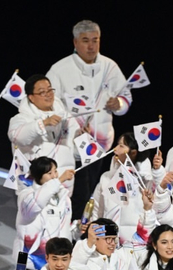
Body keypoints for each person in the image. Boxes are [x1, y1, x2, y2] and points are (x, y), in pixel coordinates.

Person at [47, 20, 132, 214]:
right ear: (75, 42)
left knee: (89, 194)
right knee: (72, 192)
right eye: (86, 41)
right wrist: (71, 126)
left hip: (99, 145)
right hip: (70, 144)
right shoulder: (59, 69)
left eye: (95, 40)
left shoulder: (110, 67)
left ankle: (79, 227)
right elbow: (49, 105)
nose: (91, 46)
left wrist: (118, 104)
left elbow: (126, 97)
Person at [7, 74, 80, 197]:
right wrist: (43, 123)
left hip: (63, 184)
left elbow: (76, 153)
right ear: (31, 97)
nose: (48, 94)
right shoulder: (21, 118)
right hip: (34, 185)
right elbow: (17, 137)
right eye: (42, 92)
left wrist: (81, 136)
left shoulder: (66, 117)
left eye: (50, 90)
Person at [89, 133, 160, 250]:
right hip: (108, 243)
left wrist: (158, 171)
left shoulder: (145, 181)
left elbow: (159, 201)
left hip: (134, 244)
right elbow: (97, 209)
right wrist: (94, 232)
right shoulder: (106, 178)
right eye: (117, 145)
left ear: (133, 152)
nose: (115, 149)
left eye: (121, 146)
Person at [14, 156, 74, 270]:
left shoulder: (63, 196)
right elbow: (37, 202)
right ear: (38, 175)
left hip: (54, 259)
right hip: (27, 258)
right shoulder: (26, 195)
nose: (54, 176)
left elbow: (64, 228)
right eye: (49, 173)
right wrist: (59, 181)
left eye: (55, 171)